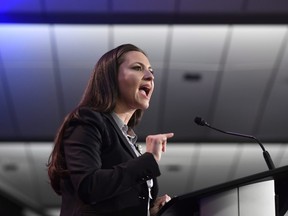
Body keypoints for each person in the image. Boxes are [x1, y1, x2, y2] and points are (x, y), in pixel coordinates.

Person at [47, 44, 174, 216]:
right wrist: (148, 159)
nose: (150, 76)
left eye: (151, 71)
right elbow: (88, 186)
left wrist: (149, 211)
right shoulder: (87, 120)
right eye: (137, 68)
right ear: (111, 78)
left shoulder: (128, 139)